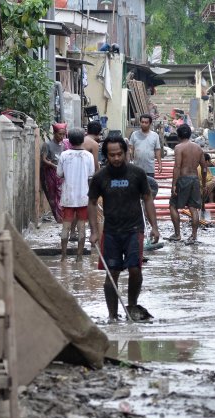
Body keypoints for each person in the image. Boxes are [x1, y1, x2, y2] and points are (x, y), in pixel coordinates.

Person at [88, 136, 160, 321]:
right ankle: (112, 315)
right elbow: (92, 202)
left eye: (120, 154)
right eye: (112, 155)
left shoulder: (137, 174)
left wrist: (154, 226)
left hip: (134, 230)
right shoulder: (100, 177)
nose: (117, 158)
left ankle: (132, 305)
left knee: (135, 269)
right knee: (112, 273)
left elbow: (147, 198)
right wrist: (95, 231)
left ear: (125, 152)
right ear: (106, 156)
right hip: (111, 232)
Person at [57, 128, 95, 261]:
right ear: (82, 139)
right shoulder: (88, 156)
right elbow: (91, 176)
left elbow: (59, 174)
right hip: (83, 197)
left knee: (66, 226)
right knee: (81, 227)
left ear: (69, 140)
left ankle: (63, 256)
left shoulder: (64, 155)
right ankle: (79, 257)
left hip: (68, 196)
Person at [168, 124, 208, 245]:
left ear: (179, 136)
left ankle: (177, 234)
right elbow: (204, 168)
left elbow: (177, 167)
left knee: (173, 206)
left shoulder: (179, 148)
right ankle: (194, 236)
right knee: (193, 208)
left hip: (183, 179)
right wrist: (204, 184)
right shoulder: (198, 148)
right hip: (195, 179)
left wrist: (173, 184)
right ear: (189, 135)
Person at [129, 114, 163, 198]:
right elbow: (130, 148)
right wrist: (129, 160)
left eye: (146, 122)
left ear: (150, 123)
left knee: (149, 191)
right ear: (140, 122)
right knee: (136, 190)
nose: (144, 124)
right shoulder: (134, 135)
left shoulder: (155, 135)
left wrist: (159, 164)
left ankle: (147, 209)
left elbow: (157, 150)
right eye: (142, 122)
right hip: (137, 167)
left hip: (149, 168)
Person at [39, 123, 67, 224]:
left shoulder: (64, 145)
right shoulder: (47, 145)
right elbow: (43, 159)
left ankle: (61, 217)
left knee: (61, 195)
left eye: (63, 134)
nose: (62, 137)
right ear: (54, 133)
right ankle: (57, 217)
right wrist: (53, 165)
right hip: (50, 173)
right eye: (60, 134)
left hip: (60, 174)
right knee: (52, 196)